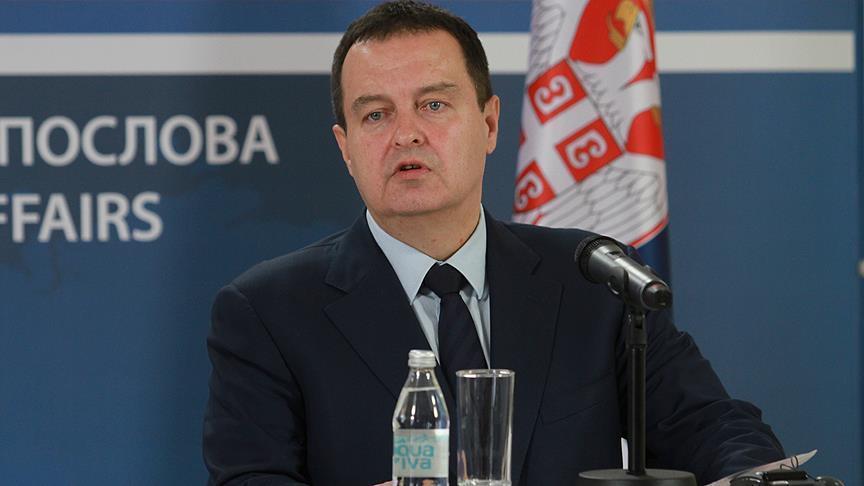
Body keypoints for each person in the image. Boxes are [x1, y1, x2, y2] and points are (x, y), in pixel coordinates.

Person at [202, 2, 785, 485]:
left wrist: (757, 477)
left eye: (433, 105)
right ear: (345, 147)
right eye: (376, 115)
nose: (406, 133)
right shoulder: (269, 311)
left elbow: (711, 425)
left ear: (489, 124)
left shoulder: (593, 280)